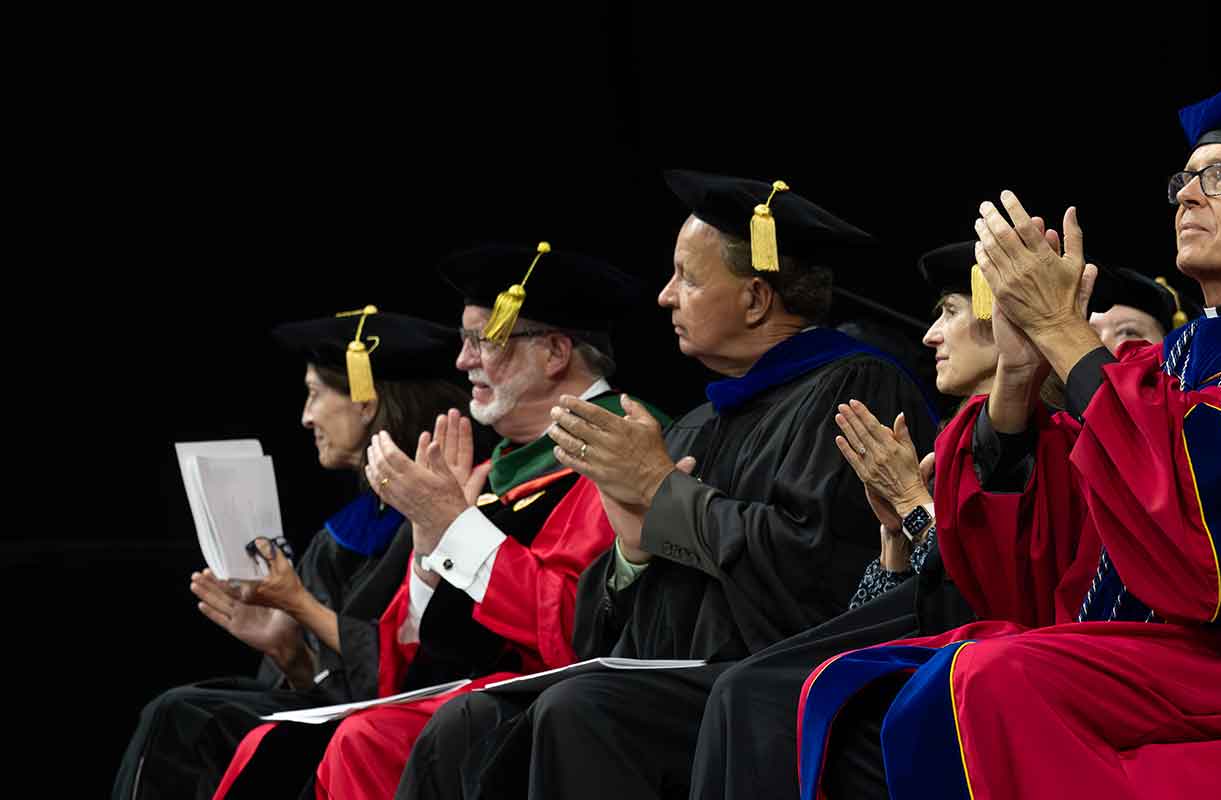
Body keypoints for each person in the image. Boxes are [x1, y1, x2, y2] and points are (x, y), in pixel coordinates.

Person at [794, 80, 1221, 799]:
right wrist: (1021, 373)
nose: (1189, 195)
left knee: (980, 681)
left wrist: (1068, 336)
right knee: (842, 690)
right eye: (1184, 180)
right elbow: (1048, 560)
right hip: (1140, 656)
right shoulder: (1173, 361)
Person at [396, 171, 937, 800]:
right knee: (466, 723)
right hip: (684, 685)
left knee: (580, 710)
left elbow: (822, 576)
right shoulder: (697, 423)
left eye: (688, 277)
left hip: (780, 690)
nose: (664, 296)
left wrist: (663, 496)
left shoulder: (854, 392)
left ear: (757, 299)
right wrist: (631, 553)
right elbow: (611, 635)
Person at [211, 243, 667, 799]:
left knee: (365, 739)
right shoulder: (490, 471)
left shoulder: (621, 451)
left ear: (553, 352)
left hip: (573, 711)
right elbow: (407, 661)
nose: (462, 362)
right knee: (280, 742)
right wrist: (430, 544)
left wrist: (455, 526)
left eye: (482, 341)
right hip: (484, 699)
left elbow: (574, 628)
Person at [116, 308, 468, 799]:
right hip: (356, 717)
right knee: (187, 710)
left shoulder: (447, 512)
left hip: (419, 725)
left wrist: (301, 606)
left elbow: (417, 669)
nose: (305, 417)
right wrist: (287, 649)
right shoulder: (349, 530)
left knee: (187, 716)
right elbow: (332, 687)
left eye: (315, 393)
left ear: (365, 402)